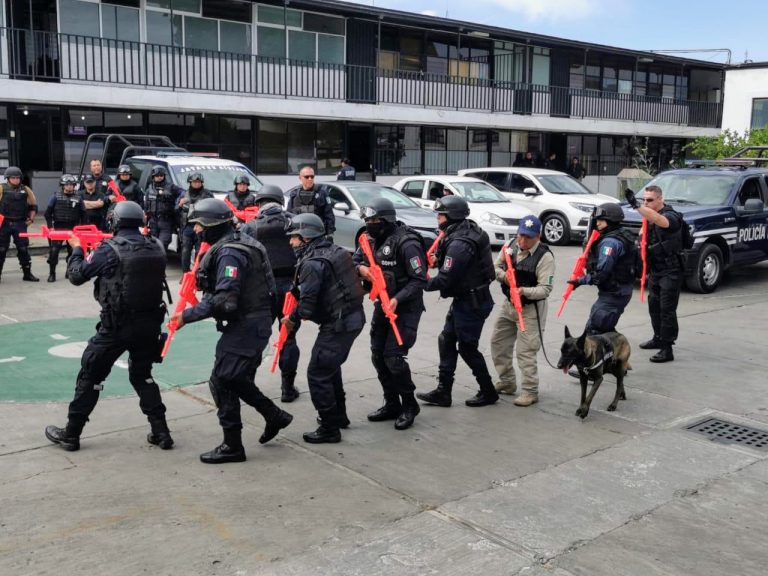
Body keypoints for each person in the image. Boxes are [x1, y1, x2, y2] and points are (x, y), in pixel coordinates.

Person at [170, 198, 293, 464]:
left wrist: (186, 316)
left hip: (248, 325)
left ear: (214, 224)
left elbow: (226, 300)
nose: (198, 230)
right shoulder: (238, 242)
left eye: (201, 225)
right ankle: (274, 415)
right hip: (250, 323)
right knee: (234, 378)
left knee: (222, 380)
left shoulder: (230, 253)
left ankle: (233, 445)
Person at [44, 201, 173, 452]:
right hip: (149, 325)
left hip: (117, 327)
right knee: (143, 376)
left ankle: (71, 434)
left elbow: (77, 276)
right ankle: (162, 431)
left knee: (90, 376)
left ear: (113, 221)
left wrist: (78, 249)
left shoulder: (108, 249)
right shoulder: (156, 245)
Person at [283, 213, 365, 443]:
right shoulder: (336, 250)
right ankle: (338, 417)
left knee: (317, 373)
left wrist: (290, 318)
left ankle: (329, 428)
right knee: (329, 368)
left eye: (295, 238)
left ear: (307, 238)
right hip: (351, 319)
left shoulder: (311, 263)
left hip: (339, 325)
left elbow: (306, 307)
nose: (291, 242)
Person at [417, 196, 498, 408]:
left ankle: (488, 391)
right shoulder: (465, 229)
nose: (438, 218)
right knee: (446, 339)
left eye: (441, 214)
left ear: (452, 216)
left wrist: (419, 282)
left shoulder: (460, 244)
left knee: (467, 347)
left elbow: (445, 278)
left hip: (472, 303)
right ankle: (444, 392)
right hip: (466, 299)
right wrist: (438, 261)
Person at [353, 198, 427, 430]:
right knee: (377, 354)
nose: (370, 224)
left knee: (393, 358)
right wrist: (361, 269)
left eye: (374, 220)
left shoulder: (407, 243)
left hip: (405, 307)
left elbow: (419, 280)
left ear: (387, 220)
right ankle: (391, 402)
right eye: (367, 220)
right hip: (381, 305)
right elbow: (355, 260)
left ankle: (409, 404)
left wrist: (396, 299)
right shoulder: (369, 239)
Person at [240, 184, 301, 403]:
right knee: (289, 337)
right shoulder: (294, 221)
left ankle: (248, 385)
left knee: (258, 338)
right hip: (291, 289)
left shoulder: (251, 226)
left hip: (263, 289)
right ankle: (287, 388)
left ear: (259, 203)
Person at [490, 215, 555, 407]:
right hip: (509, 305)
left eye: (528, 237)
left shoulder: (545, 257)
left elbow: (546, 289)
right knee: (498, 342)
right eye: (521, 236)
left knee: (526, 351)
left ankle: (529, 390)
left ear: (538, 237)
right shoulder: (511, 245)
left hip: (530, 308)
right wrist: (506, 278)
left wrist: (522, 290)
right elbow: (495, 267)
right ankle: (507, 381)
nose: (523, 241)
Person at [627, 185, 684, 363]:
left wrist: (637, 207)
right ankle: (658, 337)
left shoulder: (671, 216)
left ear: (660, 199)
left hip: (671, 269)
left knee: (667, 309)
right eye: (644, 200)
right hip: (656, 270)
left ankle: (667, 348)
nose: (646, 203)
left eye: (650, 200)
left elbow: (661, 220)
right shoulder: (648, 217)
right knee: (654, 305)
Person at [567, 203, 636, 338]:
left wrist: (579, 281)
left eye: (601, 220)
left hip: (614, 294)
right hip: (619, 291)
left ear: (610, 221)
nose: (597, 223)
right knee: (605, 329)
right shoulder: (622, 234)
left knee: (594, 331)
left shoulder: (609, 243)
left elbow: (601, 274)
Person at [0, 166, 40, 282]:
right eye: (13, 177)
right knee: (1, 249)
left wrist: (31, 219)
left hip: (20, 223)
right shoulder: (2, 188)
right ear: (8, 178)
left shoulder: (26, 189)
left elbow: (33, 205)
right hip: (4, 223)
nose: (16, 180)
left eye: (18, 178)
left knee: (23, 249)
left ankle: (27, 274)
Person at [44, 174, 86, 282]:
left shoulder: (78, 198)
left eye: (71, 184)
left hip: (73, 229)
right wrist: (50, 228)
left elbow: (84, 215)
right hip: (58, 228)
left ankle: (69, 271)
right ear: (62, 185)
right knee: (54, 252)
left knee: (73, 252)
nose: (69, 186)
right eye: (67, 184)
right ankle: (52, 273)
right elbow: (47, 214)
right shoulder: (55, 197)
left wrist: (83, 229)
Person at [177, 172, 213, 272]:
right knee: (185, 251)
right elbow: (175, 210)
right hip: (187, 226)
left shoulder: (208, 194)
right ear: (190, 182)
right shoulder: (183, 194)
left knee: (199, 251)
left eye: (198, 182)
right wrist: (180, 204)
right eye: (194, 182)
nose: (197, 184)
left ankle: (197, 274)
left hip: (201, 226)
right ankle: (185, 274)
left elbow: (213, 209)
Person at [285, 166, 335, 237]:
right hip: (299, 233)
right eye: (307, 177)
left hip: (317, 234)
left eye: (312, 177)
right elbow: (289, 215)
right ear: (300, 178)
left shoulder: (322, 194)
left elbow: (329, 215)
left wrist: (330, 234)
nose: (310, 179)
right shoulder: (294, 194)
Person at [144, 165, 183, 251]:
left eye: (161, 175)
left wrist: (180, 201)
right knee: (153, 245)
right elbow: (146, 206)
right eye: (157, 176)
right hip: (153, 222)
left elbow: (183, 193)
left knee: (162, 244)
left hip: (166, 221)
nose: (159, 177)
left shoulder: (171, 187)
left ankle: (160, 262)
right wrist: (145, 220)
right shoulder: (149, 189)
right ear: (153, 176)